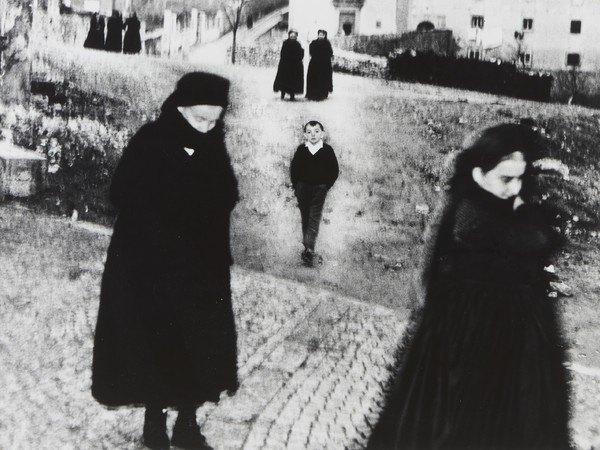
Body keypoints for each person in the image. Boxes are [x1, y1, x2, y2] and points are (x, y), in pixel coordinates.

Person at [367, 123, 572, 450]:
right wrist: (527, 218)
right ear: (478, 174)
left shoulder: (497, 204)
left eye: (520, 178)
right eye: (506, 179)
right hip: (470, 337)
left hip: (510, 339)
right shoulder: (470, 213)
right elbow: (534, 238)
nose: (515, 189)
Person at [91, 72, 240, 450]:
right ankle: (154, 423)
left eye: (214, 121)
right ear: (180, 108)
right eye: (199, 119)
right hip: (151, 264)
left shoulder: (212, 145)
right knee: (156, 339)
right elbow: (121, 191)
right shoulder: (151, 139)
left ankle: (188, 423)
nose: (207, 128)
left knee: (197, 342)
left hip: (200, 267)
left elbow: (228, 192)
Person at [290, 120, 339, 266]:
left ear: (322, 134)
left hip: (319, 189)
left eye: (316, 131)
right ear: (305, 135)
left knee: (314, 217)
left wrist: (326, 185)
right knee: (305, 216)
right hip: (303, 188)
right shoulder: (301, 150)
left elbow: (334, 170)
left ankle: (309, 248)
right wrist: (296, 186)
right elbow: (294, 169)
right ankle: (307, 247)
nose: (313, 135)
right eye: (309, 132)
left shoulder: (327, 150)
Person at [273, 29, 304, 101]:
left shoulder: (298, 44)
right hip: (286, 65)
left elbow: (300, 54)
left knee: (293, 81)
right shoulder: (285, 43)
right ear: (289, 35)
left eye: (294, 35)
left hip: (295, 66)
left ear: (296, 36)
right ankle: (282, 94)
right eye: (291, 35)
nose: (292, 36)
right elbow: (283, 53)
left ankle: (292, 95)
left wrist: (298, 59)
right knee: (284, 80)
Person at [305, 29, 333, 101]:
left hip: (325, 64)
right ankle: (311, 93)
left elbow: (330, 53)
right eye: (320, 34)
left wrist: (324, 57)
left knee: (324, 78)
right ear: (318, 35)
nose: (321, 36)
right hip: (315, 64)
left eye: (322, 35)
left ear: (325, 36)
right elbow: (311, 51)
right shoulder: (314, 43)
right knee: (313, 78)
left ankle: (323, 93)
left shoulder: (327, 43)